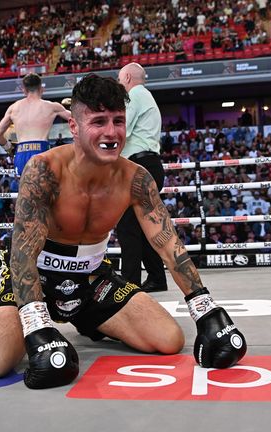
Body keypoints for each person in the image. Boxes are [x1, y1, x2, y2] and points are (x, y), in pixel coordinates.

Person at [0, 74, 246, 390]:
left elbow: (168, 244)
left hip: (92, 280)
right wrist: (35, 323)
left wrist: (205, 309)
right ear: (74, 126)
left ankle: (91, 322)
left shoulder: (135, 178)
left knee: (169, 339)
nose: (111, 133)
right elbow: (22, 253)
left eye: (118, 121)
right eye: (98, 121)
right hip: (37, 279)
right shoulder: (44, 170)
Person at [115, 62, 168, 292]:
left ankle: (129, 283)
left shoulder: (134, 95)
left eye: (119, 80)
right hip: (149, 163)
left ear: (127, 77)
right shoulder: (146, 96)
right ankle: (156, 277)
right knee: (143, 225)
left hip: (139, 163)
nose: (119, 84)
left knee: (127, 225)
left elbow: (121, 129)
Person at [0, 73, 71, 176]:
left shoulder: (13, 108)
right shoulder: (52, 107)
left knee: (24, 190)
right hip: (42, 152)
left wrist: (10, 149)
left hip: (21, 153)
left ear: (24, 90)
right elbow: (76, 120)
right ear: (41, 88)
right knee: (44, 190)